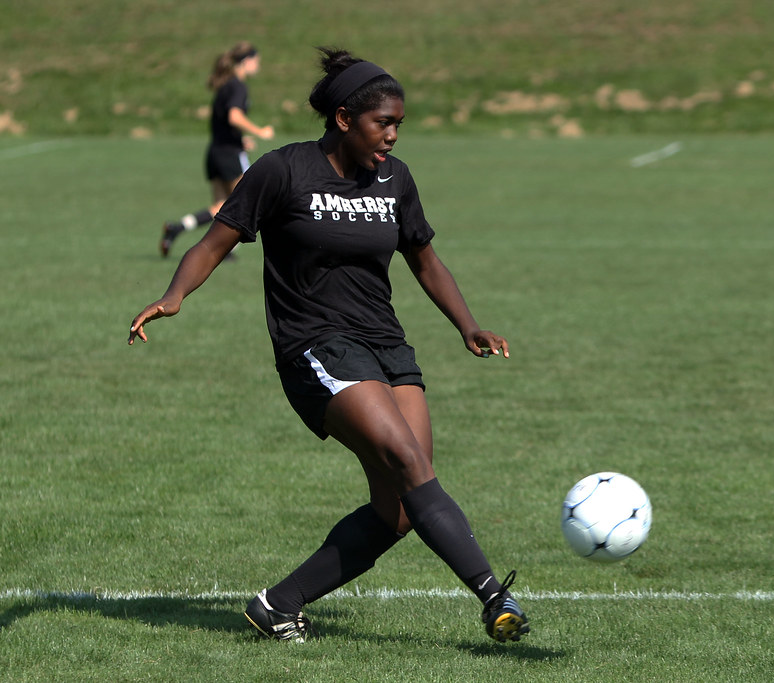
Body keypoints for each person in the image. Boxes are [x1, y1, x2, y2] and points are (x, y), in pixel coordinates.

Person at [129, 46, 529, 644]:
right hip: (314, 345)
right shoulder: (282, 170)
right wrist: (175, 294)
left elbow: (424, 258)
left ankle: (277, 605)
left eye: (398, 123)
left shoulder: (396, 178)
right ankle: (494, 596)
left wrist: (466, 324)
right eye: (382, 123)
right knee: (409, 463)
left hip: (386, 344)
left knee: (397, 508)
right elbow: (214, 243)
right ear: (343, 119)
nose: (392, 135)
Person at [159, 41, 275, 257]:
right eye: (256, 60)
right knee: (243, 201)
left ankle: (218, 248)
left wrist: (241, 139)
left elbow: (223, 122)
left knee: (222, 207)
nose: (258, 65)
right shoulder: (238, 86)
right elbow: (234, 116)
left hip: (215, 152)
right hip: (229, 155)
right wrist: (259, 131)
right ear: (246, 61)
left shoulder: (226, 86)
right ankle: (180, 228)